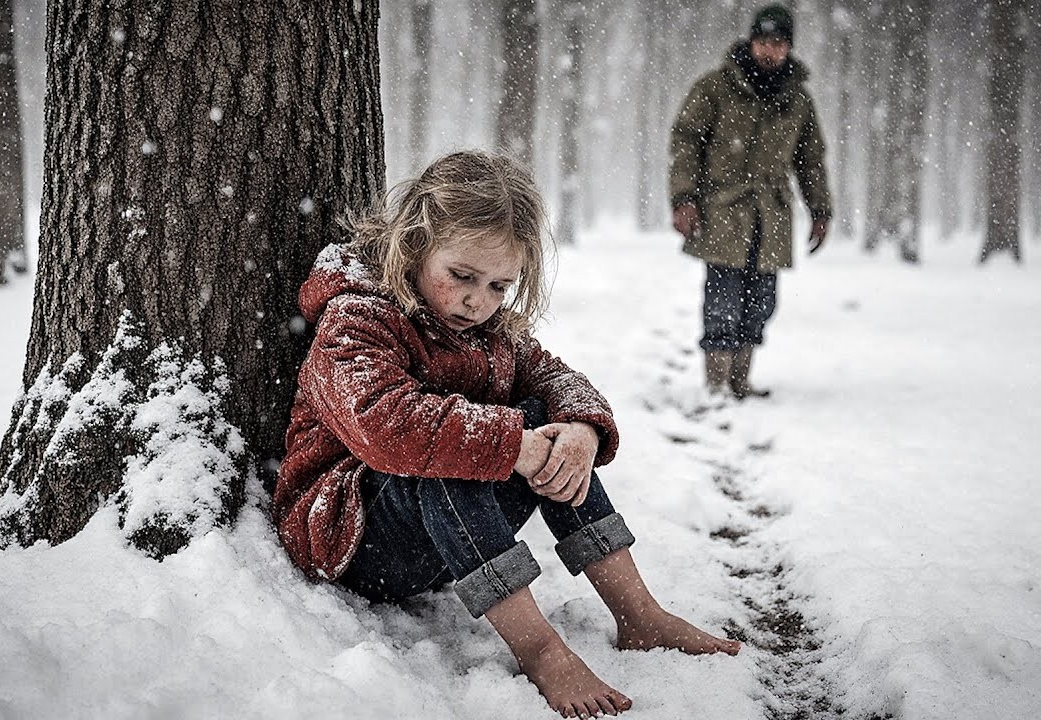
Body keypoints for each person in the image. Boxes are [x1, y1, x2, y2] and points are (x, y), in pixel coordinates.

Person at [275, 151, 740, 718]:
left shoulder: (486, 330)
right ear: (414, 246)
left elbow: (555, 376)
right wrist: (512, 445)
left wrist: (579, 430)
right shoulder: (355, 320)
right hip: (351, 536)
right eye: (462, 277)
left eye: (500, 285)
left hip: (440, 539)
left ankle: (637, 613)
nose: (479, 300)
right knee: (456, 453)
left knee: (546, 412)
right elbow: (386, 427)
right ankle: (541, 651)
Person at [669, 4, 832, 399]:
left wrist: (820, 210)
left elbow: (810, 160)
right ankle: (716, 383)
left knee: (761, 302)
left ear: (788, 47)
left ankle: (741, 380)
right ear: (751, 41)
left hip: (772, 212)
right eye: (763, 41)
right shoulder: (715, 87)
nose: (769, 51)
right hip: (723, 208)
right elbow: (686, 141)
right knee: (722, 298)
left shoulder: (798, 100)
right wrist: (683, 198)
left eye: (777, 43)